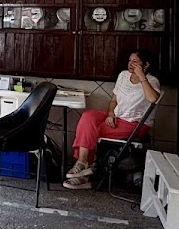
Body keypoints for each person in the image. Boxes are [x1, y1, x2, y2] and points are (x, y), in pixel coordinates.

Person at [64, 50, 161, 189]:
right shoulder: (123, 75)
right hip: (117, 115)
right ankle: (83, 164)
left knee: (91, 130)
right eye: (130, 61)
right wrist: (110, 114)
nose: (131, 64)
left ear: (145, 65)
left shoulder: (152, 81)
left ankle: (83, 169)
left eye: (135, 62)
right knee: (88, 117)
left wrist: (141, 77)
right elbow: (114, 100)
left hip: (136, 123)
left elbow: (153, 99)